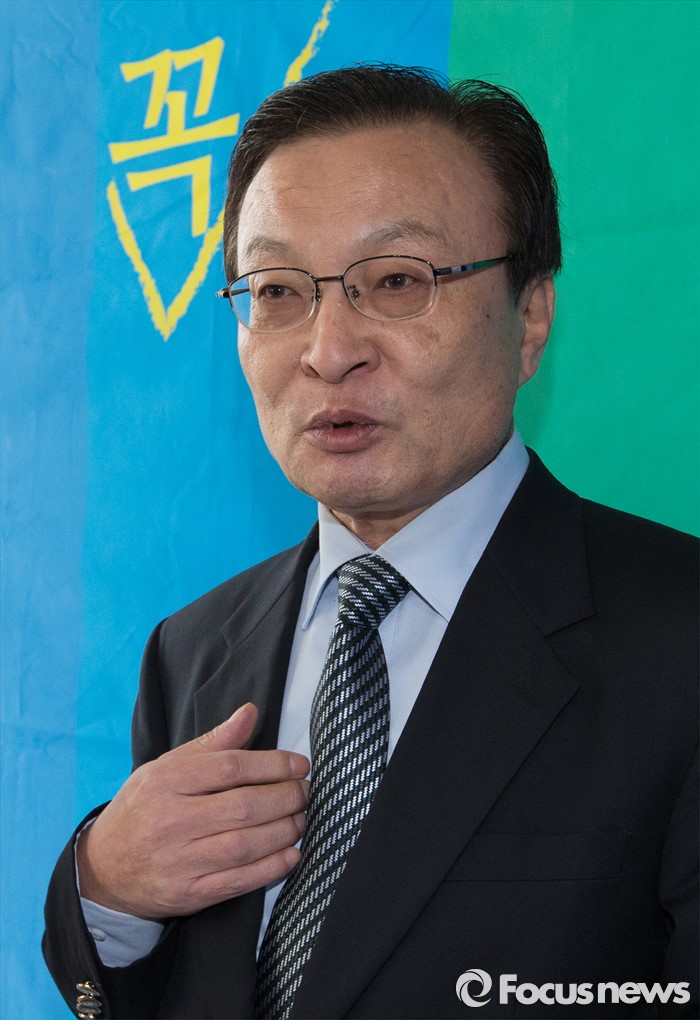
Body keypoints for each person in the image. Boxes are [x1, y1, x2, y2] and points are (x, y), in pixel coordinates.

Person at [44, 65, 698, 1020]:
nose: (328, 349)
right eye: (277, 290)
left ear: (530, 317)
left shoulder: (677, 639)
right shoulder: (193, 650)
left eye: (396, 281)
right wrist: (108, 889)